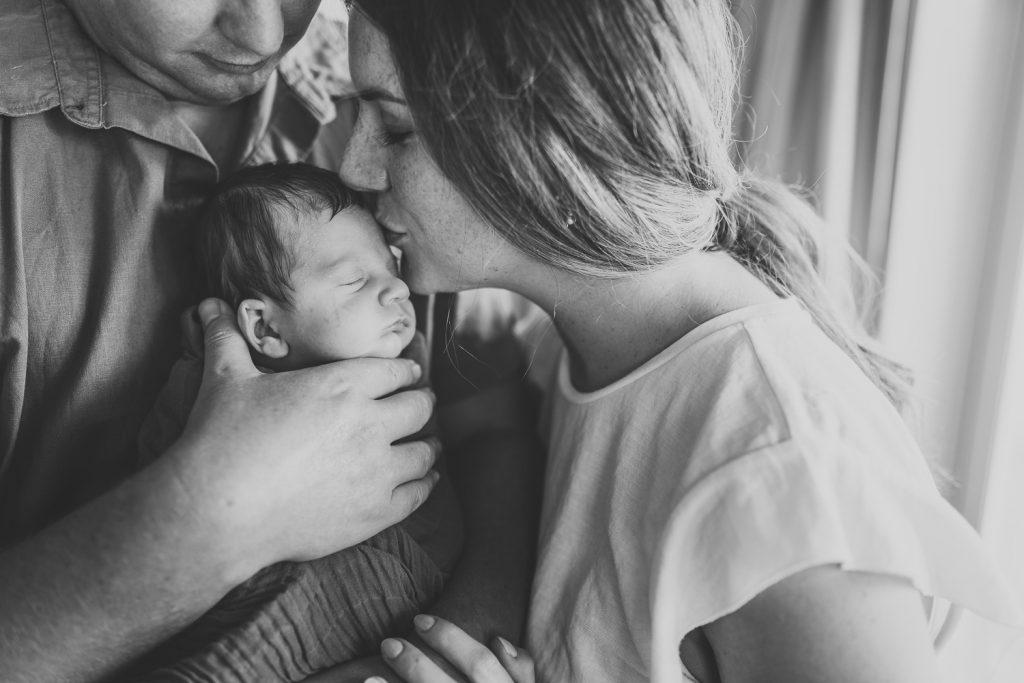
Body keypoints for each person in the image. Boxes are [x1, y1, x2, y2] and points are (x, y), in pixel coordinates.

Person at [333, 1, 1024, 681]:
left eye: (394, 127)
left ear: (543, 133)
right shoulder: (563, 347)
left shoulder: (783, 480)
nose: (353, 167)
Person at [0, 2, 537, 681]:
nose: (263, 36)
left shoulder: (380, 90)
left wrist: (444, 653)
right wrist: (207, 518)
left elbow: (494, 429)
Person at [130, 162, 463, 681]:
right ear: (265, 327)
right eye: (355, 281)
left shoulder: (410, 355)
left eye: (392, 269)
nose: (397, 291)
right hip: (283, 601)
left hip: (407, 594)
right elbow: (161, 473)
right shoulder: (214, 387)